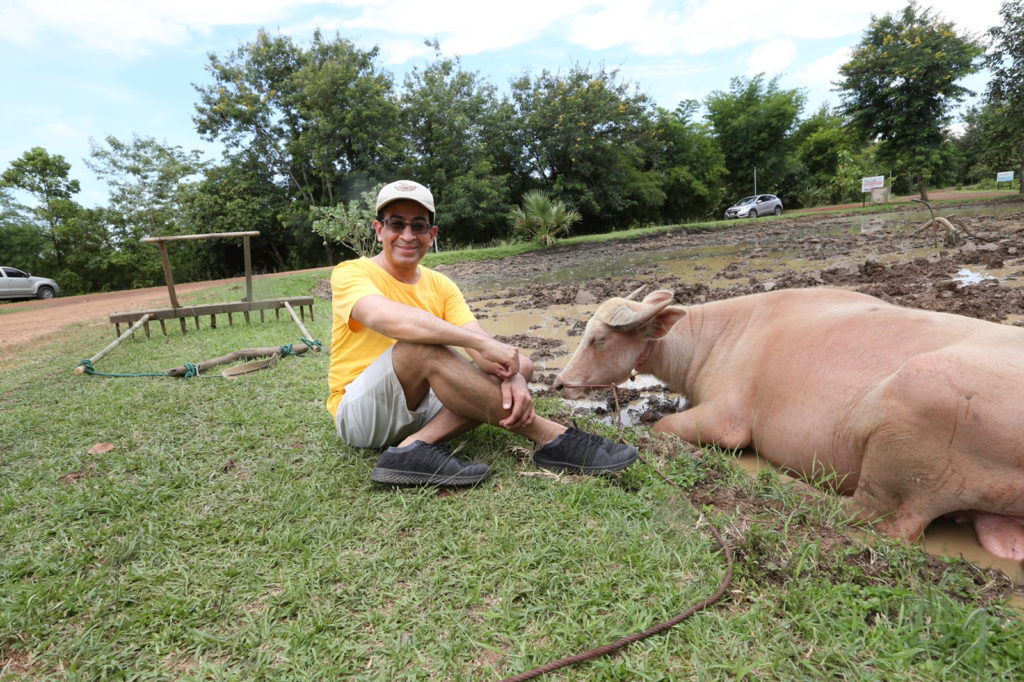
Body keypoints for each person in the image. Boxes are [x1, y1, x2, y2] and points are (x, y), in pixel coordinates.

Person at [327, 180, 638, 486]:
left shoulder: (440, 284)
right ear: (379, 229)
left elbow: (483, 345)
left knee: (522, 365)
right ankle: (553, 438)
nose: (408, 235)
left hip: (418, 404)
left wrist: (513, 374)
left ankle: (413, 446)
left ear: (431, 235)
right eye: (396, 224)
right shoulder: (351, 272)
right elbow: (382, 316)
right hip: (362, 414)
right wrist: (473, 342)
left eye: (419, 226)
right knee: (420, 347)